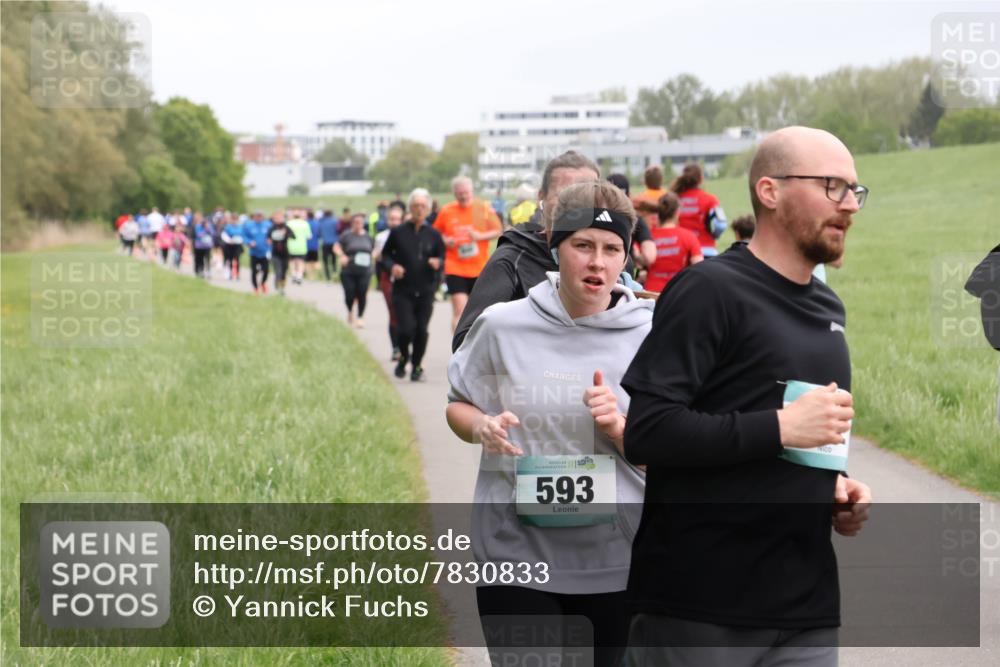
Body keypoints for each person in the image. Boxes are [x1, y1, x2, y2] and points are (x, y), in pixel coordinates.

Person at [620, 126, 873, 666]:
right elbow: (648, 430)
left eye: (855, 190)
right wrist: (781, 427)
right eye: (832, 186)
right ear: (769, 191)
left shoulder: (828, 308)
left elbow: (800, 441)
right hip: (699, 607)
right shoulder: (708, 290)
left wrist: (833, 485)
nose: (850, 204)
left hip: (806, 607)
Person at [447, 181, 653, 666]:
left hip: (617, 560)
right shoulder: (501, 325)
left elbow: (677, 452)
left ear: (626, 257)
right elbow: (457, 404)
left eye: (611, 249)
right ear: (554, 246)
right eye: (582, 245)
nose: (597, 262)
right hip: (514, 554)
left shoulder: (654, 332)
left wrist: (622, 431)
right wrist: (483, 427)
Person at [453, 151, 618, 351]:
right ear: (542, 197)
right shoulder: (513, 257)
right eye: (564, 194)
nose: (574, 206)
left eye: (586, 195)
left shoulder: (614, 259)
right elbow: (466, 341)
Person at [381, 188, 445, 382]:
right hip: (403, 289)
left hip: (426, 289)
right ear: (409, 208)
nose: (419, 209)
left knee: (421, 329)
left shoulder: (434, 234)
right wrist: (393, 267)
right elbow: (385, 256)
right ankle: (403, 359)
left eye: (423, 206)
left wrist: (437, 263)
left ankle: (416, 366)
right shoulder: (398, 232)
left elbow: (442, 257)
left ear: (427, 209)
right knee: (406, 328)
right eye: (415, 206)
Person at [434, 176, 503, 332]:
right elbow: (435, 233)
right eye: (459, 193)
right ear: (454, 193)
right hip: (455, 267)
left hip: (479, 267)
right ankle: (458, 350)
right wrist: (446, 240)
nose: (463, 196)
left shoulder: (482, 208)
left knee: (480, 313)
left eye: (466, 192)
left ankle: (475, 348)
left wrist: (480, 236)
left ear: (471, 191)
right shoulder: (447, 211)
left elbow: (498, 230)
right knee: (460, 310)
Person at [643, 191, 703, 293]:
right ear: (677, 212)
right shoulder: (689, 237)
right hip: (678, 292)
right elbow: (700, 267)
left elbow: (639, 260)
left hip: (651, 293)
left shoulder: (648, 237)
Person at [671, 162, 728, 257]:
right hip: (706, 250)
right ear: (701, 179)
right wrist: (714, 235)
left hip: (682, 251)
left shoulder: (674, 199)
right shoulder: (710, 200)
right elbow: (721, 224)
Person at [607, 173, 656, 280]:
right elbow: (650, 256)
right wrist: (637, 257)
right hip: (626, 275)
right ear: (629, 195)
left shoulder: (594, 217)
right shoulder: (635, 218)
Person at [374, 203, 404, 360]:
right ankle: (396, 348)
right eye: (392, 219)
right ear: (387, 220)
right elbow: (377, 257)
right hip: (387, 278)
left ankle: (406, 346)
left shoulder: (408, 235)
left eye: (397, 219)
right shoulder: (381, 237)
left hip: (405, 278)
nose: (394, 222)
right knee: (393, 311)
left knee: (405, 314)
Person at [335, 213, 375, 328]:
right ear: (352, 223)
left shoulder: (368, 236)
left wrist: (374, 254)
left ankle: (360, 317)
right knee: (349, 293)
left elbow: (374, 249)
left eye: (360, 222)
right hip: (349, 269)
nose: (358, 224)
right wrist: (342, 255)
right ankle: (350, 310)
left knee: (362, 292)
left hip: (365, 269)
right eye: (356, 222)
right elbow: (336, 246)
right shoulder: (346, 235)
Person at [243, 210, 272, 294]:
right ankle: (255, 288)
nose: (259, 217)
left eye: (260, 216)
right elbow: (244, 236)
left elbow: (272, 234)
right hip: (254, 252)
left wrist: (270, 240)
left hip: (265, 252)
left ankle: (263, 283)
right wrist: (249, 242)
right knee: (254, 271)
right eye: (257, 216)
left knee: (266, 270)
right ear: (254, 217)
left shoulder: (268, 225)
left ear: (263, 216)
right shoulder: (249, 226)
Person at [268, 210, 296, 295]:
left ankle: (282, 287)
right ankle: (277, 287)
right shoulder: (272, 228)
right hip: (275, 253)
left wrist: (286, 234)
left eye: (280, 217)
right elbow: (268, 239)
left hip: (285, 253)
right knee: (278, 271)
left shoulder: (286, 227)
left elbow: (293, 236)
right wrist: (272, 239)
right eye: (277, 217)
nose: (279, 219)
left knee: (284, 272)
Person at [286, 208, 312, 285]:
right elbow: (309, 236)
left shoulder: (289, 223)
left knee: (292, 262)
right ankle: (299, 276)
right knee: (301, 262)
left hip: (290, 246)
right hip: (301, 246)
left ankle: (294, 275)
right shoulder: (305, 223)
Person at [221, 213, 245, 281]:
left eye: (235, 219)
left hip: (237, 245)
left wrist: (240, 240)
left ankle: (237, 274)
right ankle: (231, 274)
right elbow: (224, 235)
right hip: (229, 245)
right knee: (230, 260)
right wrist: (229, 240)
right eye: (233, 219)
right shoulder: (228, 227)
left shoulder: (240, 227)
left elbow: (242, 236)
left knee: (237, 260)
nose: (234, 221)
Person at [192, 213, 215, 278]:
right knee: (200, 259)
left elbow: (213, 234)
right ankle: (201, 271)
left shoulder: (209, 226)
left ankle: (208, 271)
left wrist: (208, 228)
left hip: (207, 246)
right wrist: (205, 230)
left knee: (207, 259)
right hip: (199, 246)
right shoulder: (198, 226)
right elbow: (199, 235)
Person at [318, 208, 340, 280]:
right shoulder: (335, 221)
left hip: (325, 243)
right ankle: (334, 272)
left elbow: (319, 233)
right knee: (334, 260)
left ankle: (328, 276)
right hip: (334, 243)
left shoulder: (321, 222)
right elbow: (338, 231)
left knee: (325, 261)